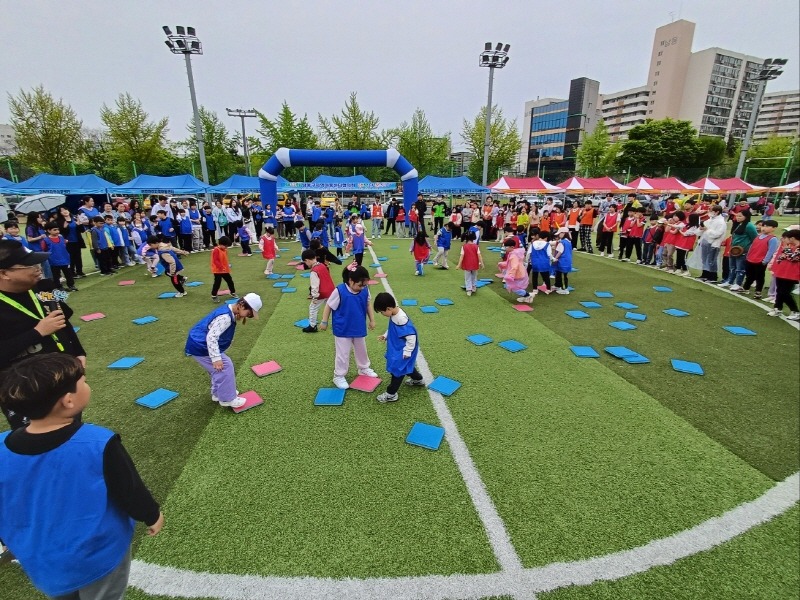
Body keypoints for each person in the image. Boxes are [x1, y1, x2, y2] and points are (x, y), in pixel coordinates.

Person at [0, 353, 163, 599]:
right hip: (97, 554)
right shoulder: (98, 442)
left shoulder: (1, 446)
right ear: (68, 401)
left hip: (41, 559)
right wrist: (152, 515)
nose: (87, 386)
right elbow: (129, 488)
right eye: (84, 382)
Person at [0, 240, 87, 429]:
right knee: (41, 439)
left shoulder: (44, 287)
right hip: (25, 389)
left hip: (63, 375)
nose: (38, 268)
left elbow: (63, 320)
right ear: (4, 273)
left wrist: (79, 353)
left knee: (71, 427)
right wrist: (38, 332)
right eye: (29, 265)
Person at [185, 293, 262, 408]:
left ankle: (218, 394)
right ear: (241, 305)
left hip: (198, 343)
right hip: (200, 345)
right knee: (225, 366)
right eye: (249, 313)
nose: (248, 316)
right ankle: (227, 399)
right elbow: (211, 337)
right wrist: (216, 358)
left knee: (219, 369)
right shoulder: (225, 317)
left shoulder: (229, 311)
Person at [318, 264, 377, 389]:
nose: (362, 288)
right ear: (351, 281)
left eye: (364, 285)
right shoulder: (340, 291)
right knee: (343, 354)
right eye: (360, 285)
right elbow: (329, 305)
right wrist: (324, 321)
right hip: (343, 329)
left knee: (362, 349)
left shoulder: (365, 290)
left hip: (358, 326)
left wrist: (372, 320)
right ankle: (338, 376)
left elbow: (367, 304)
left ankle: (364, 368)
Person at [373, 292, 424, 403]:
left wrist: (407, 351)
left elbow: (411, 337)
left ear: (388, 308)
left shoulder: (401, 319)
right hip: (397, 347)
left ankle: (391, 393)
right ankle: (418, 379)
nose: (382, 314)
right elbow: (392, 328)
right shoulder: (394, 314)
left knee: (397, 370)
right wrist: (385, 335)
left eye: (382, 312)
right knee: (404, 366)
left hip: (403, 350)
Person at [739, 219, 780, 299]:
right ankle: (746, 288)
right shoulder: (758, 237)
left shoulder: (772, 239)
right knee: (749, 275)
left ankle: (758, 291)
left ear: (774, 228)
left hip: (760, 261)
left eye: (767, 226)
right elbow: (752, 247)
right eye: (763, 226)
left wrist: (765, 260)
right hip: (751, 259)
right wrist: (748, 256)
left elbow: (771, 251)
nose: (764, 228)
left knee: (759, 276)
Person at [767, 229, 800, 320]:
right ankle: (777, 308)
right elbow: (780, 258)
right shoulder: (791, 247)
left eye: (787, 238)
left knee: (785, 293)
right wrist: (785, 254)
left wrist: (786, 250)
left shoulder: (796, 248)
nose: (784, 240)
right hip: (782, 272)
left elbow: (794, 258)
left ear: (792, 238)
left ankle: (795, 311)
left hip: (791, 274)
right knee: (779, 291)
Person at [301, 248, 335, 333]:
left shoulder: (314, 271)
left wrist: (314, 297)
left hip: (321, 293)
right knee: (331, 308)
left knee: (313, 308)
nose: (306, 264)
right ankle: (335, 324)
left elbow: (314, 286)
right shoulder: (322, 265)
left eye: (305, 262)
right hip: (330, 291)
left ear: (307, 260)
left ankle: (312, 326)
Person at [696, 205, 726, 282]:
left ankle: (712, 277)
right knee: (704, 259)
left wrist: (707, 229)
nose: (709, 212)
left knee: (711, 260)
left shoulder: (721, 222)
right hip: (705, 242)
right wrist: (701, 229)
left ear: (717, 212)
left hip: (714, 244)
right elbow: (702, 230)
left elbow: (717, 234)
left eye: (711, 210)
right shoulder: (710, 220)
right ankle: (705, 274)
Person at [43, 221, 77, 291]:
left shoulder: (61, 238)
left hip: (65, 259)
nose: (57, 231)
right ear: (49, 230)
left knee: (68, 273)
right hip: (54, 261)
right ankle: (58, 286)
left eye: (58, 229)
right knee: (56, 275)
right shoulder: (46, 240)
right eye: (54, 230)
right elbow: (44, 249)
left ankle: (71, 285)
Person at [56, 206, 86, 278]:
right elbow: (59, 232)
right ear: (60, 213)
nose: (65, 211)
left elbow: (82, 230)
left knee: (78, 257)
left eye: (66, 209)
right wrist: (64, 228)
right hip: (67, 242)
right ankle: (72, 272)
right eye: (62, 210)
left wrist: (80, 224)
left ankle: (79, 271)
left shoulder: (74, 219)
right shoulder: (60, 221)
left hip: (77, 241)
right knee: (70, 258)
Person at [210, 236, 238, 303]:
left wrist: (227, 265)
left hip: (224, 269)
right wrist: (221, 267)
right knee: (217, 282)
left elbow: (224, 259)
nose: (226, 247)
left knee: (230, 280)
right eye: (226, 246)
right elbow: (216, 260)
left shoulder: (224, 250)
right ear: (221, 244)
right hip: (217, 270)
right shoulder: (216, 250)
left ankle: (232, 292)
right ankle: (214, 295)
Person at [456, 230, 483, 296]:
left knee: (467, 278)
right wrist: (482, 263)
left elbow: (461, 256)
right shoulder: (476, 246)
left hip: (467, 264)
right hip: (475, 264)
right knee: (474, 276)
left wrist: (458, 265)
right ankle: (473, 287)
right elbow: (479, 255)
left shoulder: (464, 246)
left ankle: (469, 290)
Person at [552, 227, 574, 295]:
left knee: (563, 274)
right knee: (558, 273)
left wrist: (554, 258)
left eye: (559, 234)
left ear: (563, 233)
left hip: (563, 261)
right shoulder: (568, 241)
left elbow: (559, 252)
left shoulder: (562, 242)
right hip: (566, 260)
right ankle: (557, 285)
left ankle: (564, 289)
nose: (558, 235)